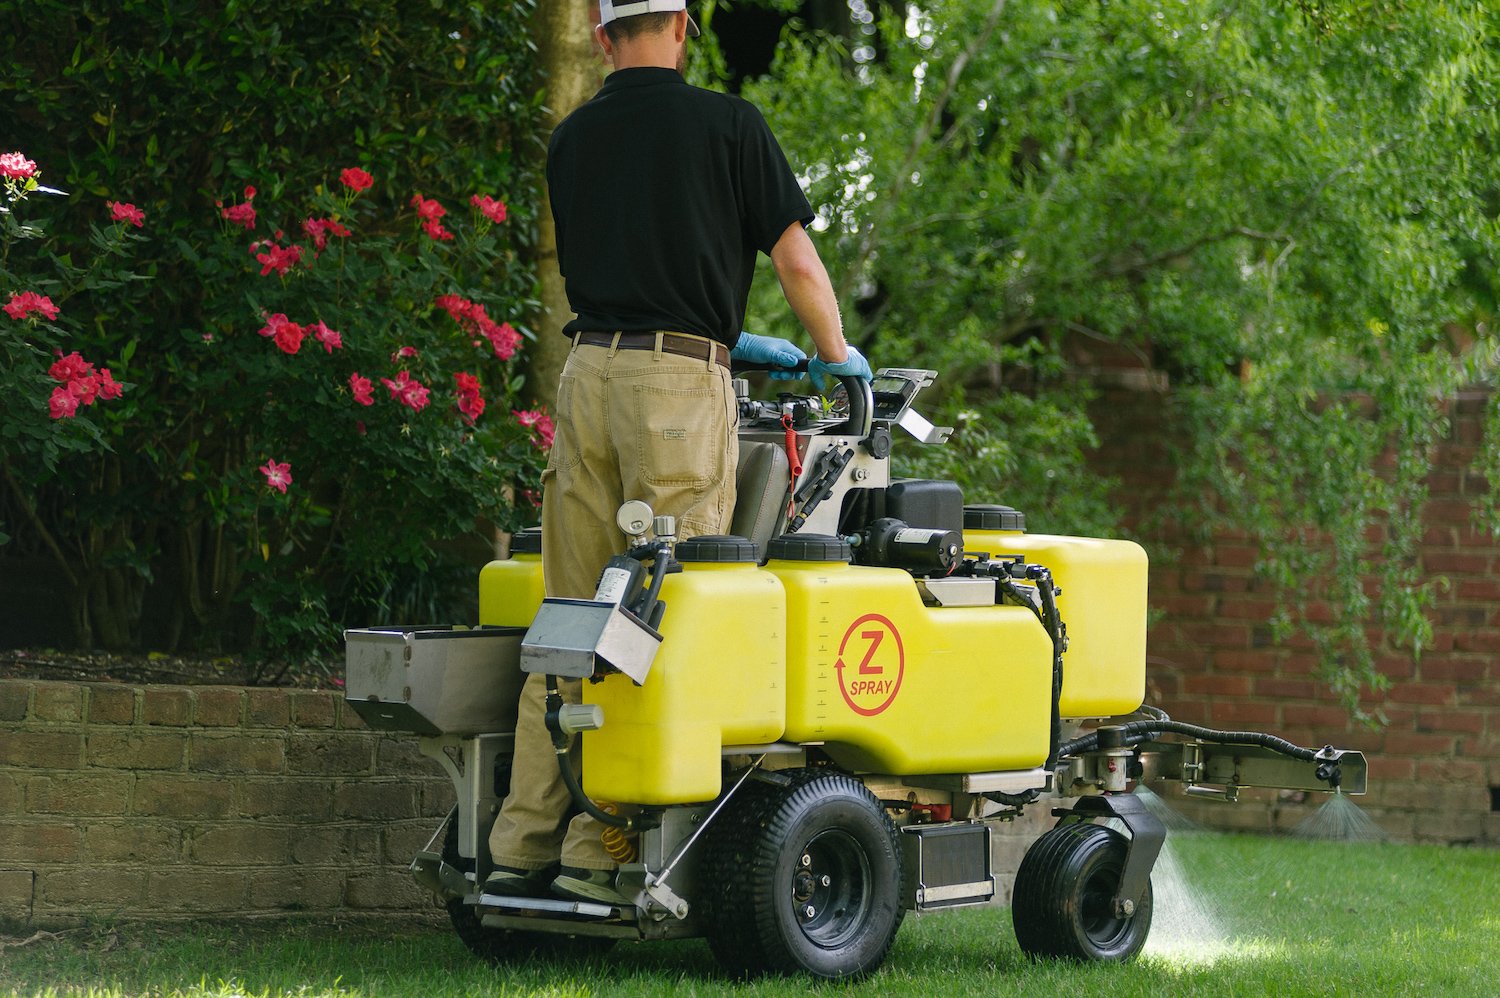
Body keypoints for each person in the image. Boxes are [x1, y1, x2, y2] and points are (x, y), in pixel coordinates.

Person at [485, 0, 872, 905]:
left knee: (569, 613)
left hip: (585, 381)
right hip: (675, 391)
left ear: (599, 33)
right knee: (656, 614)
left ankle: (520, 838)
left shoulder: (572, 140)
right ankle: (602, 844)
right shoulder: (730, 126)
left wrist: (728, 336)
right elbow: (798, 266)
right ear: (685, 27)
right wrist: (834, 353)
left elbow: (630, 266)